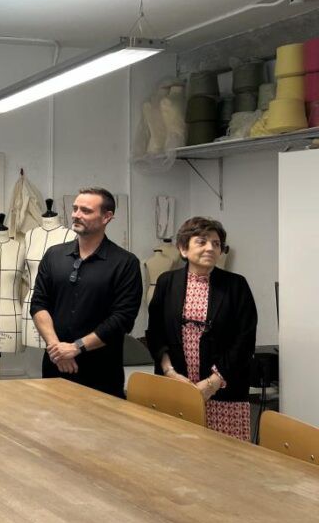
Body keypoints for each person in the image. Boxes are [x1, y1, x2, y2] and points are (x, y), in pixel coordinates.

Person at [145, 217, 256, 441]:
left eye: (216, 244)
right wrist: (169, 371)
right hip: (177, 384)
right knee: (178, 450)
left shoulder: (236, 285)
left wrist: (213, 383)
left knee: (225, 454)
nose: (210, 248)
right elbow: (155, 332)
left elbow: (244, 339)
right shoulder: (167, 282)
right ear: (183, 249)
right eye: (202, 242)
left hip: (223, 390)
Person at [30, 187, 141, 397]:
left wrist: (76, 348)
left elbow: (122, 319)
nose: (76, 215)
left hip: (101, 372)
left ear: (107, 217)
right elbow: (38, 303)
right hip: (55, 366)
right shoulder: (54, 255)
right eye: (75, 208)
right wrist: (57, 348)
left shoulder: (125, 263)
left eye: (86, 211)